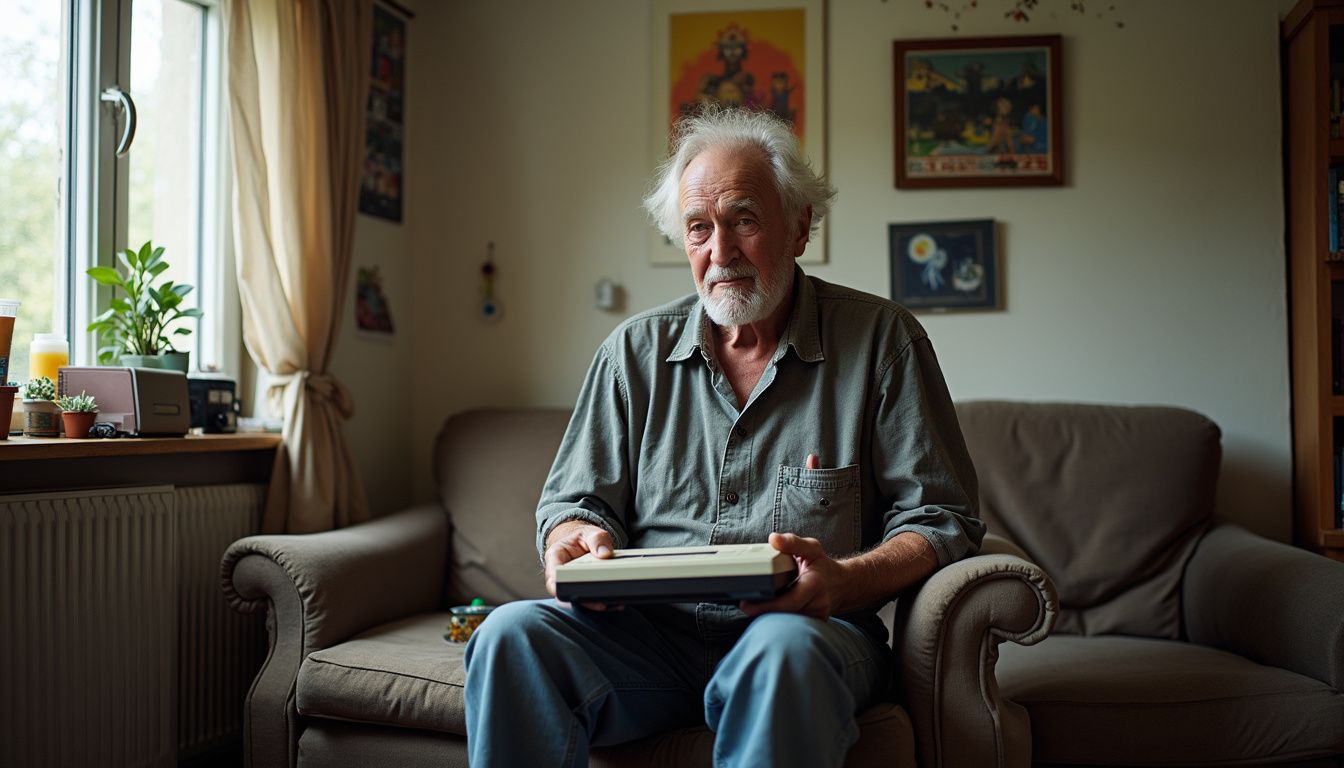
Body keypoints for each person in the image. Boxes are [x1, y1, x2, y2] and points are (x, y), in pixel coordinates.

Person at [464, 106, 985, 768]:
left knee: (783, 651)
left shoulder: (883, 341)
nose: (721, 251)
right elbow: (575, 505)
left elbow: (941, 519)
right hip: (643, 643)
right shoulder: (631, 354)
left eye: (744, 219)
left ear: (799, 227)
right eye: (698, 228)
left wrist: (846, 580)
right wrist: (572, 540)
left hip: (805, 633)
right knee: (509, 634)